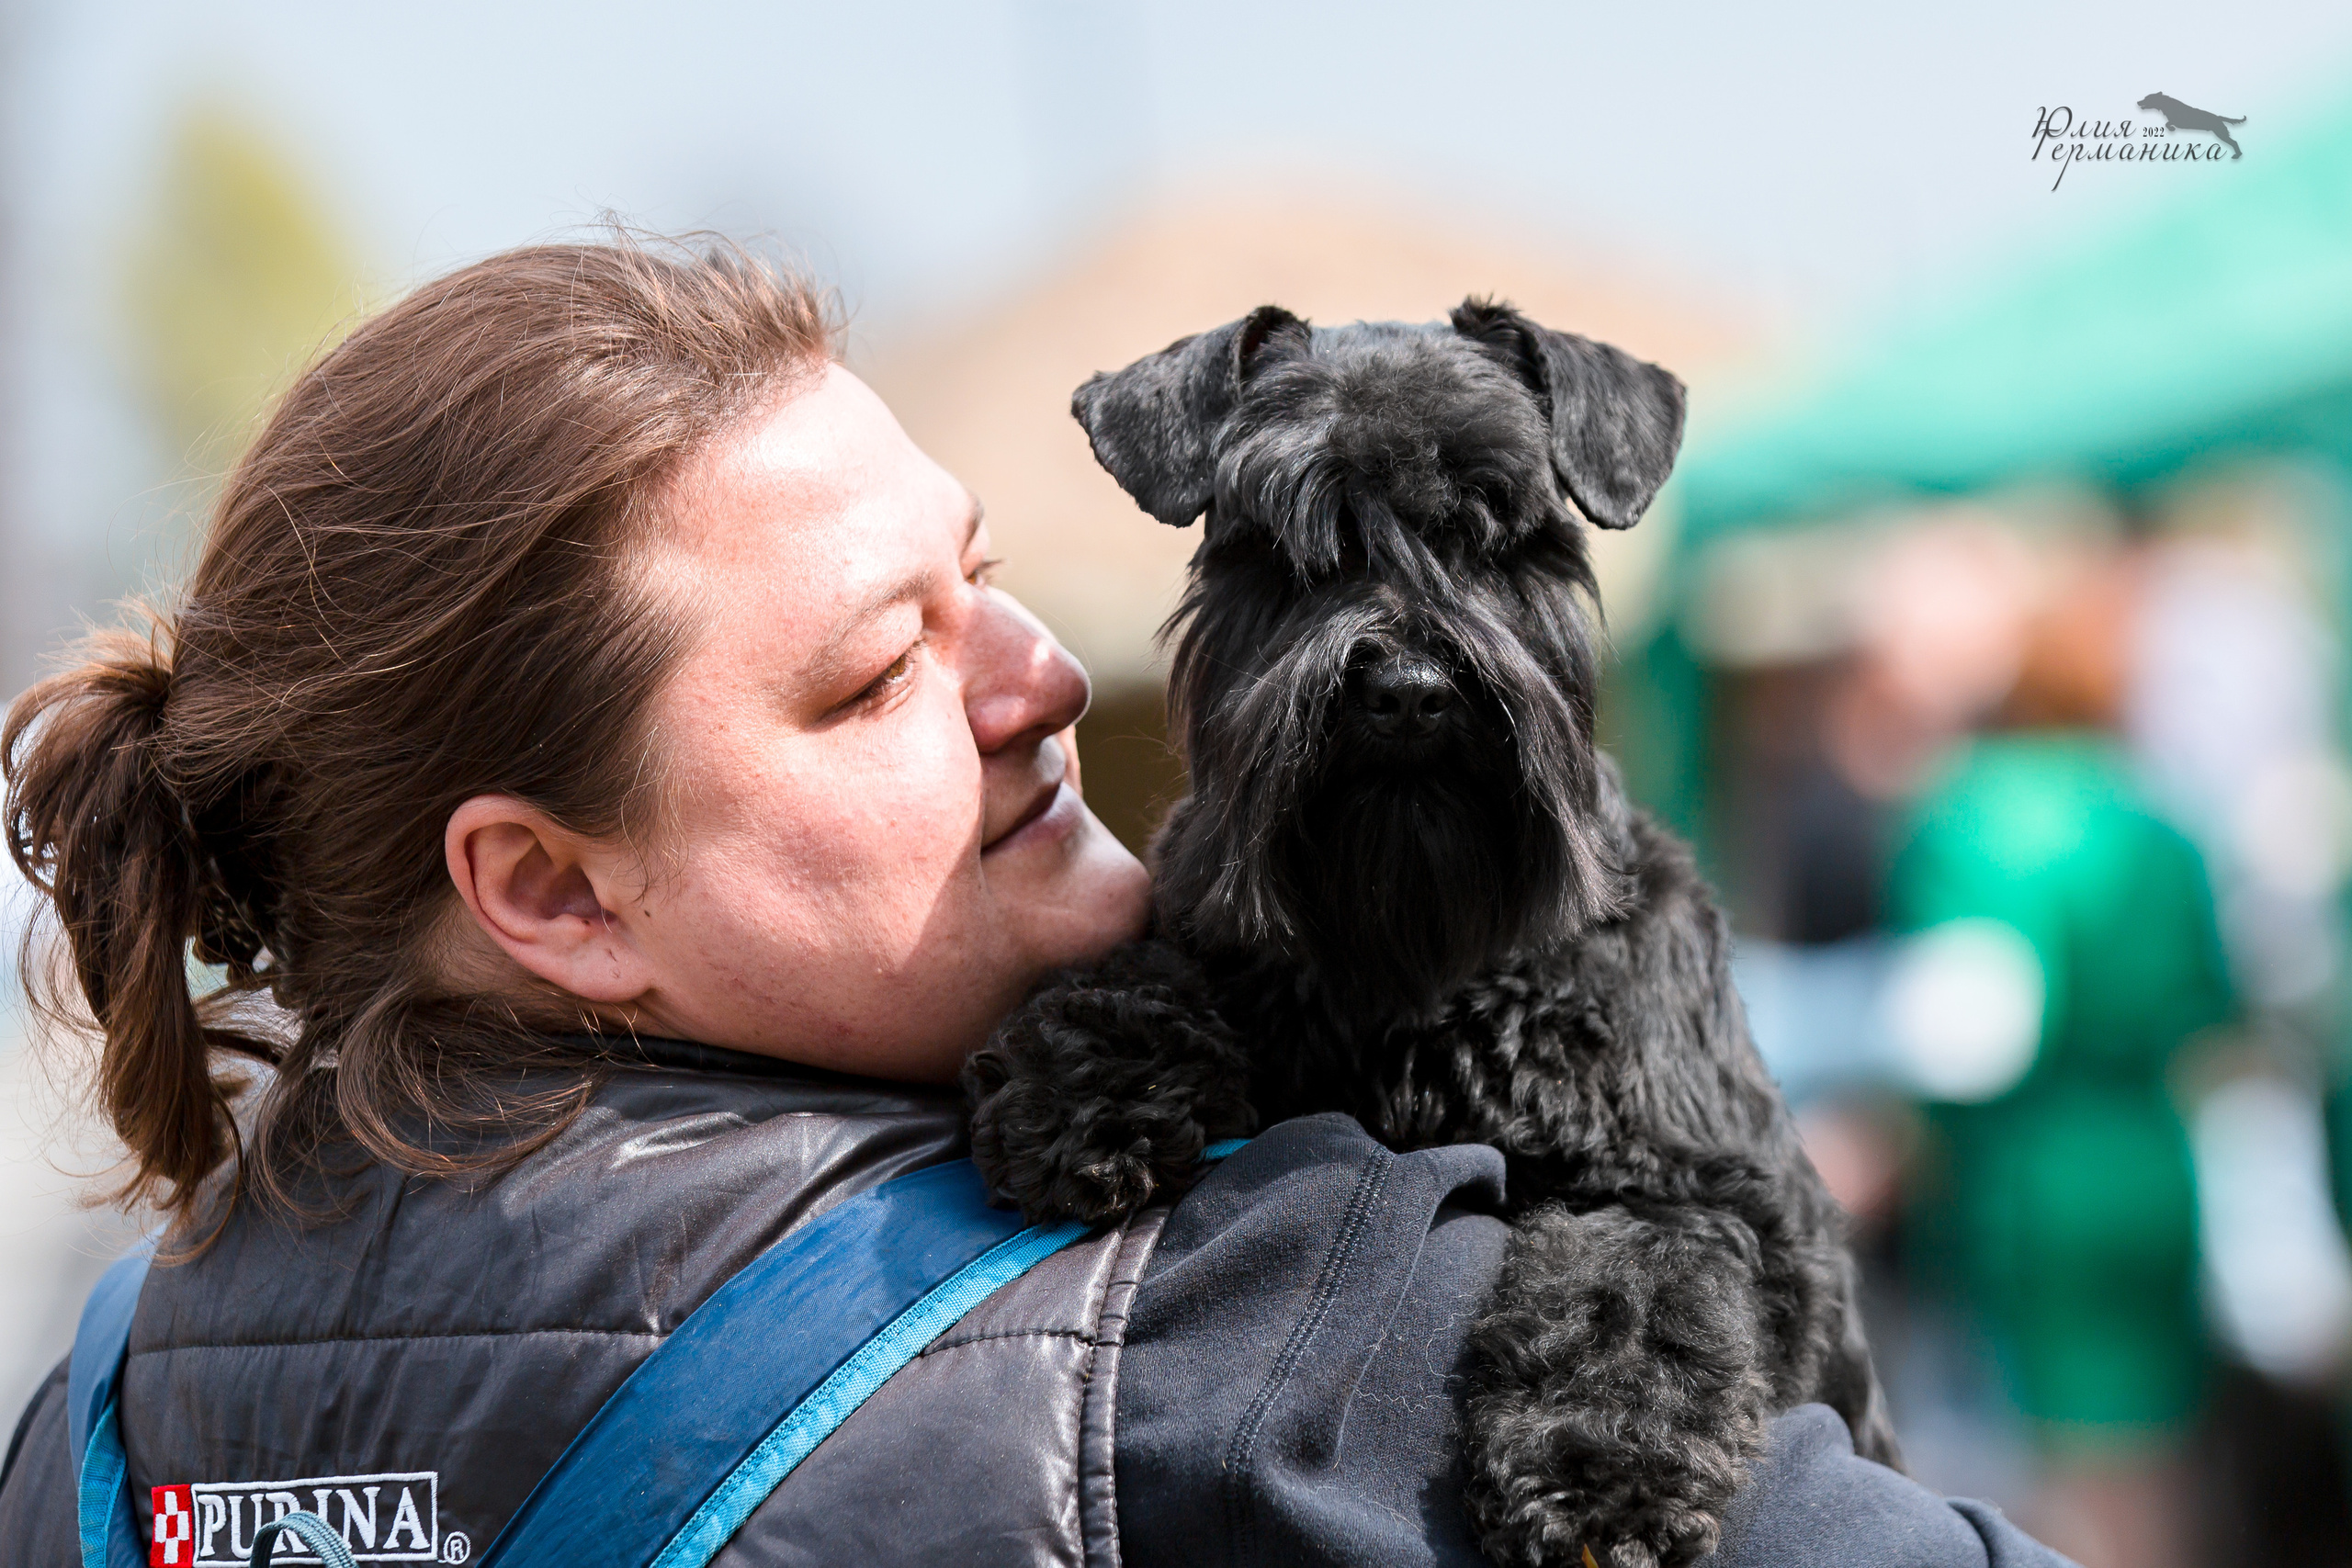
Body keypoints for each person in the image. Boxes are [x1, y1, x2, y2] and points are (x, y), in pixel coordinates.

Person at [0, 238, 2067, 1568]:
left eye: (983, 572)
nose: (1050, 676)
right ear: (547, 884)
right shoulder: (1245, 1340)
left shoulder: (92, 1429)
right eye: (876, 671)